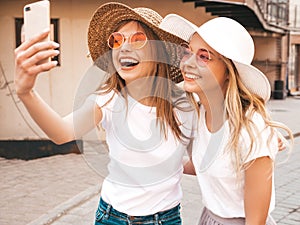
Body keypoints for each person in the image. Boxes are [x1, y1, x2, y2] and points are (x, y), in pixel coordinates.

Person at [14, 2, 196, 225]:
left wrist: (171, 165)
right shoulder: (109, 99)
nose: (124, 47)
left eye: (138, 39)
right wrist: (26, 92)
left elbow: (200, 163)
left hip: (165, 219)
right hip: (111, 217)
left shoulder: (185, 108)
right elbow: (61, 133)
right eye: (117, 40)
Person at [160, 15, 293, 225]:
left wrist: (264, 139)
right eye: (187, 52)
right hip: (208, 218)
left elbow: (255, 221)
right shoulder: (200, 111)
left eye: (204, 57)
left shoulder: (251, 129)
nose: (188, 63)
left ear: (229, 72)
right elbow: (209, 165)